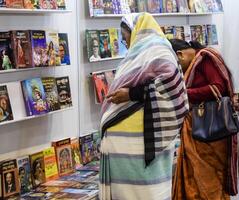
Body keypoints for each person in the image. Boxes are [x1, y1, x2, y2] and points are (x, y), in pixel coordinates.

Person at [99, 13, 189, 200]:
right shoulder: (142, 52)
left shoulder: (157, 50)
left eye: (125, 38)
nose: (126, 44)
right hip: (130, 145)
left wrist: (130, 94)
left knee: (145, 192)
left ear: (136, 32)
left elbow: (171, 88)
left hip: (143, 141)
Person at [169, 39, 238, 199]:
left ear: (180, 55)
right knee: (195, 180)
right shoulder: (198, 61)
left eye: (177, 64)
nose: (180, 69)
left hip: (212, 131)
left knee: (209, 181)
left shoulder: (205, 58)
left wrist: (184, 93)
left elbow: (218, 88)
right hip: (198, 128)